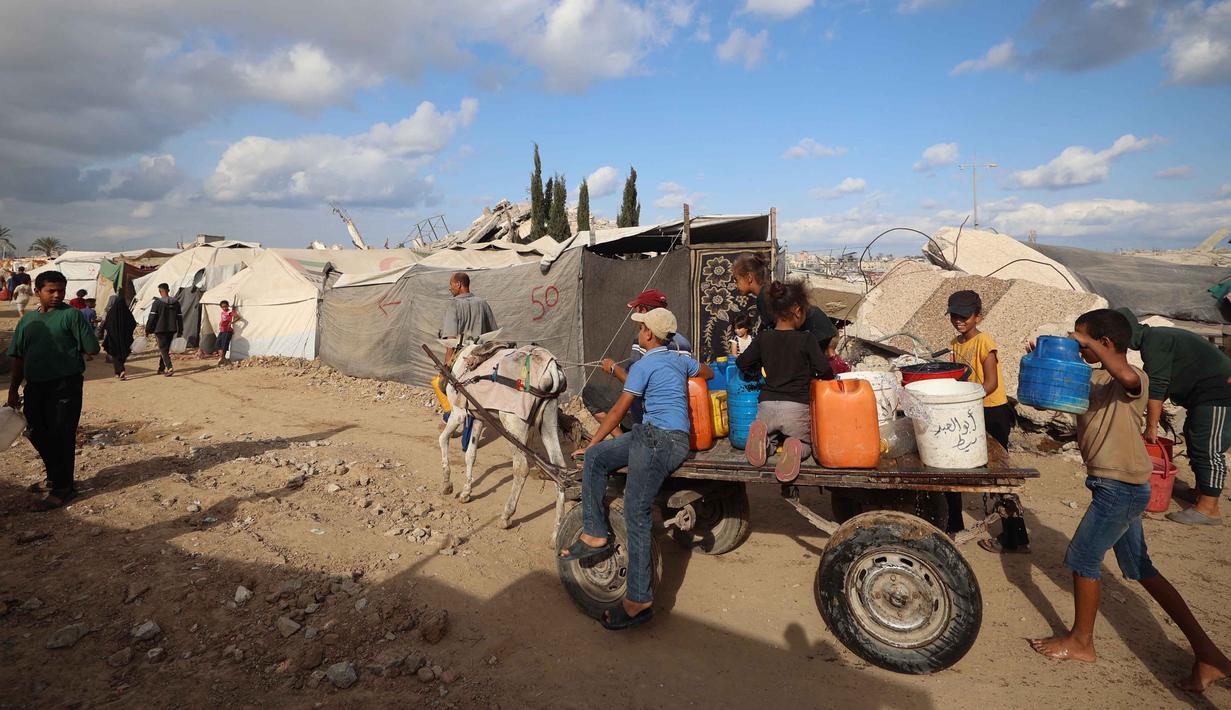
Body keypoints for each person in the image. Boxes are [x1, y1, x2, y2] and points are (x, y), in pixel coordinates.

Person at [1029, 309, 1231, 694]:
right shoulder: (1096, 378)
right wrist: (1046, 363)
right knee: (1142, 569)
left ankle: (1081, 643)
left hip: (1120, 487)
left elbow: (1126, 376)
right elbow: (1055, 399)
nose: (1080, 347)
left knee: (1083, 559)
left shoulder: (1134, 377)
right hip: (1115, 485)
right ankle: (1209, 655)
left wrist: (1087, 345)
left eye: (1084, 341)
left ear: (1105, 343)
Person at [562, 308, 711, 630]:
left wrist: (592, 441)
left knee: (635, 510)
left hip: (658, 440)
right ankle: (595, 532)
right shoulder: (678, 359)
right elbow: (708, 372)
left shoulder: (644, 365)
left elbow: (617, 410)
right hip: (659, 436)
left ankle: (639, 600)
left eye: (641, 327)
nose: (639, 331)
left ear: (648, 334)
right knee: (597, 459)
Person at [1117, 308, 1231, 525]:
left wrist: (1151, 427)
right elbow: (1166, 378)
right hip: (1202, 396)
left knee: (1209, 447)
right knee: (1196, 440)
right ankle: (1200, 492)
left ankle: (1209, 508)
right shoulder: (1155, 339)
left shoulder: (1155, 341)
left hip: (1219, 395)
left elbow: (1158, 386)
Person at [6, 270, 100, 510]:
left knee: (62, 434)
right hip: (35, 386)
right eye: (51, 291)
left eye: (61, 290)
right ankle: (55, 477)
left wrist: (74, 348)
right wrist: (13, 389)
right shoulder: (27, 320)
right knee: (36, 431)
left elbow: (92, 349)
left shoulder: (72, 316)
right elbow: (19, 357)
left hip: (65, 385)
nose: (57, 295)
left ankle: (63, 488)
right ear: (37, 292)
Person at [945, 290, 1028, 550]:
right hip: (969, 411)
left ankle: (1016, 537)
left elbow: (990, 383)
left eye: (965, 316)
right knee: (950, 467)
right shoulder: (955, 344)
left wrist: (965, 396)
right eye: (955, 315)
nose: (959, 321)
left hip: (992, 412)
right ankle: (953, 525)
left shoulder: (984, 342)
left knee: (998, 476)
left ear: (978, 316)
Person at [737, 281, 832, 483]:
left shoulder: (763, 337)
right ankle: (795, 446)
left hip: (766, 406)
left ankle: (764, 441)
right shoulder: (806, 339)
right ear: (798, 310)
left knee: (770, 440)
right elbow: (825, 370)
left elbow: (742, 362)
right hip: (796, 407)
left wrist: (756, 372)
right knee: (804, 442)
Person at [732, 252, 837, 352]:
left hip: (816, 330)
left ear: (749, 278)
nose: (736, 286)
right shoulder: (768, 292)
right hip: (821, 326)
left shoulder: (764, 297)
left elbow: (778, 333)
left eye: (737, 280)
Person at [440, 271, 497, 365]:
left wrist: (446, 365)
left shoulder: (453, 305)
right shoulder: (483, 303)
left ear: (458, 284)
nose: (450, 289)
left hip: (461, 360)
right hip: (481, 358)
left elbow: (451, 340)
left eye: (451, 285)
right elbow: (492, 336)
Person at [146, 283, 182, 377]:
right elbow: (180, 318)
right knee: (165, 349)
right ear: (168, 290)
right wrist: (180, 330)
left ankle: (169, 367)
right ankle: (161, 368)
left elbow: (152, 317)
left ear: (160, 291)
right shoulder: (176, 302)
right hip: (172, 329)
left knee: (163, 349)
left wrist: (148, 329)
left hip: (160, 329)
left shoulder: (157, 303)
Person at [100, 293, 136, 380]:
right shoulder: (127, 313)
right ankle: (120, 370)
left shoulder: (111, 313)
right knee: (123, 353)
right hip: (125, 338)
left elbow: (106, 325)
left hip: (113, 338)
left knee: (115, 354)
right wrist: (128, 332)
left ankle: (119, 371)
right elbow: (133, 324)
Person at [215, 300, 237, 366]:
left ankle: (222, 359)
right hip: (222, 330)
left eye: (225, 306)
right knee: (218, 344)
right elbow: (222, 319)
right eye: (222, 307)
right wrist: (220, 323)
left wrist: (232, 322)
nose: (224, 308)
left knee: (224, 345)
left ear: (228, 305)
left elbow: (238, 317)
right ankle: (223, 358)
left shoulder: (230, 312)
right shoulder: (222, 312)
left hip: (227, 330)